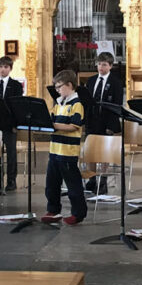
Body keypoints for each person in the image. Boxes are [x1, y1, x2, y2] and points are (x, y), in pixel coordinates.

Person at [41, 69, 87, 225]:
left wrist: (54, 125)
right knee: (51, 183)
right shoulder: (58, 103)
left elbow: (74, 126)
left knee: (73, 184)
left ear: (69, 85)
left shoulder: (77, 104)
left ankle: (78, 213)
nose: (57, 90)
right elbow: (51, 121)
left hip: (68, 152)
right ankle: (53, 210)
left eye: (60, 87)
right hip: (55, 149)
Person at [83, 52, 124, 195]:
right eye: (99, 64)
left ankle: (103, 181)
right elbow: (87, 101)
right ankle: (92, 179)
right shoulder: (91, 80)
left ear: (110, 66)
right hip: (92, 121)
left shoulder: (116, 82)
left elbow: (117, 106)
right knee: (91, 152)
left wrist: (111, 126)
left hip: (106, 122)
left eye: (104, 64)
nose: (101, 67)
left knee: (104, 153)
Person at [0, 56, 23, 191]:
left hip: (10, 124)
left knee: (11, 153)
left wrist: (16, 125)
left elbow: (18, 106)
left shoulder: (16, 85)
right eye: (0, 67)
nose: (2, 70)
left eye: (6, 67)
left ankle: (11, 180)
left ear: (10, 69)